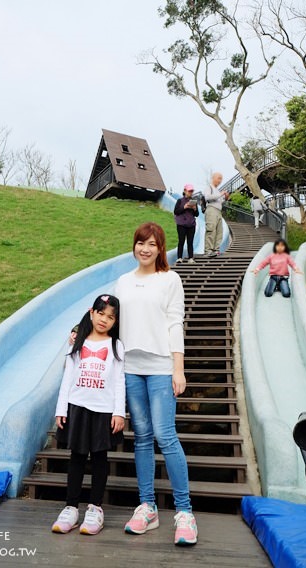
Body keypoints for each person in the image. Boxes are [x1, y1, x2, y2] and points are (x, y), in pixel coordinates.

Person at [115, 222, 198, 546]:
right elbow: (111, 319)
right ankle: (147, 507)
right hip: (131, 367)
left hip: (162, 367)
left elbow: (175, 323)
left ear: (161, 248)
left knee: (165, 435)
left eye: (152, 244)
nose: (145, 249)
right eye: (140, 243)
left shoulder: (170, 279)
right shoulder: (123, 281)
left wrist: (179, 369)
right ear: (134, 245)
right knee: (142, 438)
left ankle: (184, 512)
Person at [51, 294, 125, 536]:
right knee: (77, 457)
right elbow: (67, 378)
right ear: (91, 312)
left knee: (100, 458)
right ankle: (71, 507)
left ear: (115, 321)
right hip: (77, 406)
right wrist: (61, 409)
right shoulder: (77, 343)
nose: (104, 319)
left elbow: (119, 380)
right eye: (101, 313)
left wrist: (119, 411)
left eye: (110, 316)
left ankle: (95, 508)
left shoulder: (115, 345)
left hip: (103, 409)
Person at [204, 172, 228, 256]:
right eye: (219, 178)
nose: (220, 180)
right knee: (211, 230)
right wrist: (220, 194)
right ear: (213, 178)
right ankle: (208, 250)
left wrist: (225, 197)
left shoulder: (217, 190)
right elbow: (207, 197)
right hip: (211, 210)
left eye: (221, 179)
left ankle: (216, 250)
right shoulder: (209, 187)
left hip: (218, 211)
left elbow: (220, 201)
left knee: (219, 232)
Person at [174, 184, 199, 264]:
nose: (190, 193)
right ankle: (179, 258)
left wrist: (195, 209)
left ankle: (191, 258)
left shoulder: (194, 202)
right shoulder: (180, 201)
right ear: (185, 191)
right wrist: (184, 207)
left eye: (192, 191)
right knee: (181, 241)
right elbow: (176, 211)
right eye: (189, 191)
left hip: (191, 224)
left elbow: (197, 214)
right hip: (181, 224)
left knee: (190, 242)